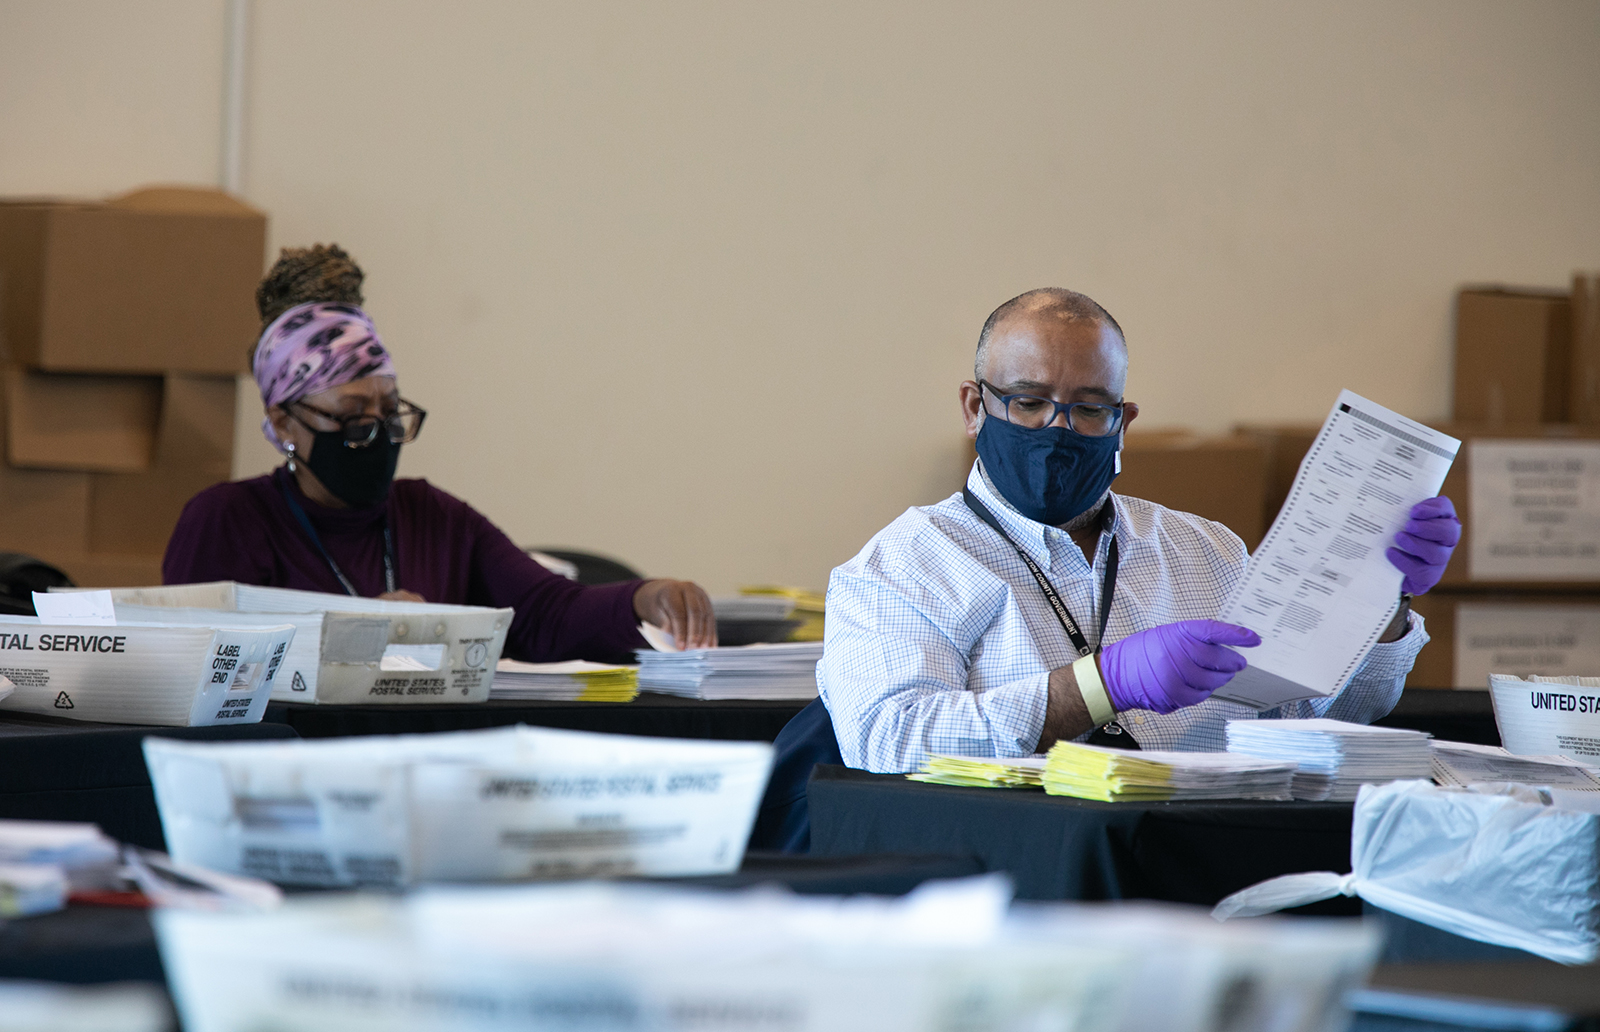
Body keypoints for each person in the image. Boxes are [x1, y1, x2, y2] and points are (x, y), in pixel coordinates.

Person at [818, 288, 1460, 773]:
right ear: (973, 406)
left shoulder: (1207, 551)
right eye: (1028, 400)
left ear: (1122, 421)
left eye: (1089, 409)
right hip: (1038, 878)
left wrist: (1381, 603)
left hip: (1205, 863)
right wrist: (1101, 686)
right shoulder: (900, 566)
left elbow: (1316, 722)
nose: (1057, 428)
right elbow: (886, 737)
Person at [164, 244, 715, 660]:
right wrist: (349, 629)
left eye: (390, 412)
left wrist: (645, 598)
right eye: (354, 417)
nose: (378, 434)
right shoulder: (227, 522)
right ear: (284, 419)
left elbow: (545, 611)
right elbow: (198, 663)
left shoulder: (434, 518)